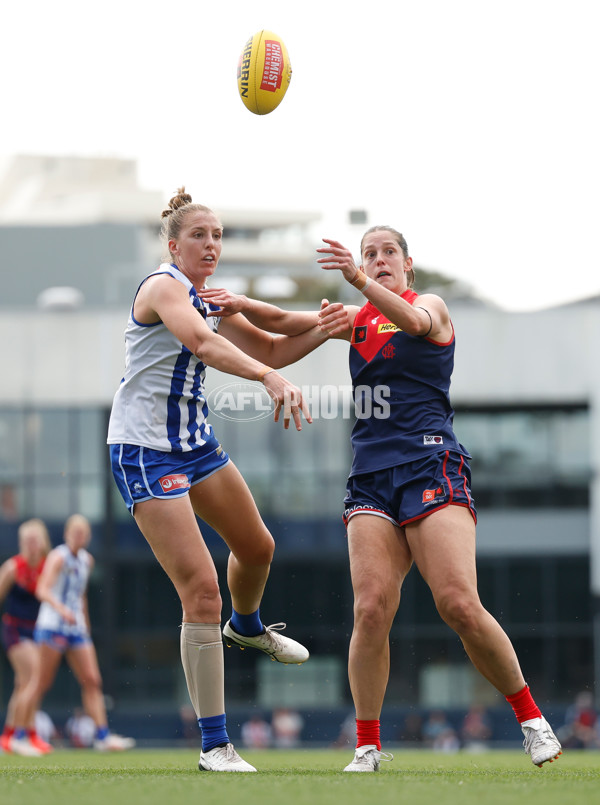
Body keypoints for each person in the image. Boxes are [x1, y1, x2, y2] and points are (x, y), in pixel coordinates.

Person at [203, 225, 563, 772]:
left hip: (431, 464)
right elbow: (277, 328)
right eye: (369, 255)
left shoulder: (429, 306)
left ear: (407, 264)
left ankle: (531, 720)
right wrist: (235, 302)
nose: (377, 260)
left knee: (458, 604)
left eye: (387, 253)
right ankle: (367, 746)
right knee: (370, 610)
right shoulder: (359, 319)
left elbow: (415, 322)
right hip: (370, 475)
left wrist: (353, 278)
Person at [106, 188, 330, 772]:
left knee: (257, 548)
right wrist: (266, 380)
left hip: (194, 444)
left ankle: (248, 627)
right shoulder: (162, 287)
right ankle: (215, 746)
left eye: (218, 235)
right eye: (199, 236)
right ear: (173, 244)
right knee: (201, 590)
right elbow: (204, 345)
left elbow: (277, 347)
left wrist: (330, 328)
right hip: (145, 451)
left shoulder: (211, 296)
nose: (211, 245)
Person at [33, 513, 135, 751]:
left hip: (76, 627)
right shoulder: (57, 557)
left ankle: (102, 736)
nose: (80, 537)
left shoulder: (86, 561)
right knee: (41, 682)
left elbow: (81, 596)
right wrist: (62, 610)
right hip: (52, 625)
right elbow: (42, 589)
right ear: (68, 533)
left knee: (92, 680)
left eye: (84, 532)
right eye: (76, 532)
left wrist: (84, 624)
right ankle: (22, 733)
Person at [0, 518, 52, 756]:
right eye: (27, 541)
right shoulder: (13, 567)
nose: (32, 545)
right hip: (14, 630)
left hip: (38, 630)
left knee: (24, 683)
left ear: (42, 542)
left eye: (35, 540)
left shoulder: (48, 566)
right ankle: (23, 734)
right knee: (34, 676)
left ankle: (10, 735)